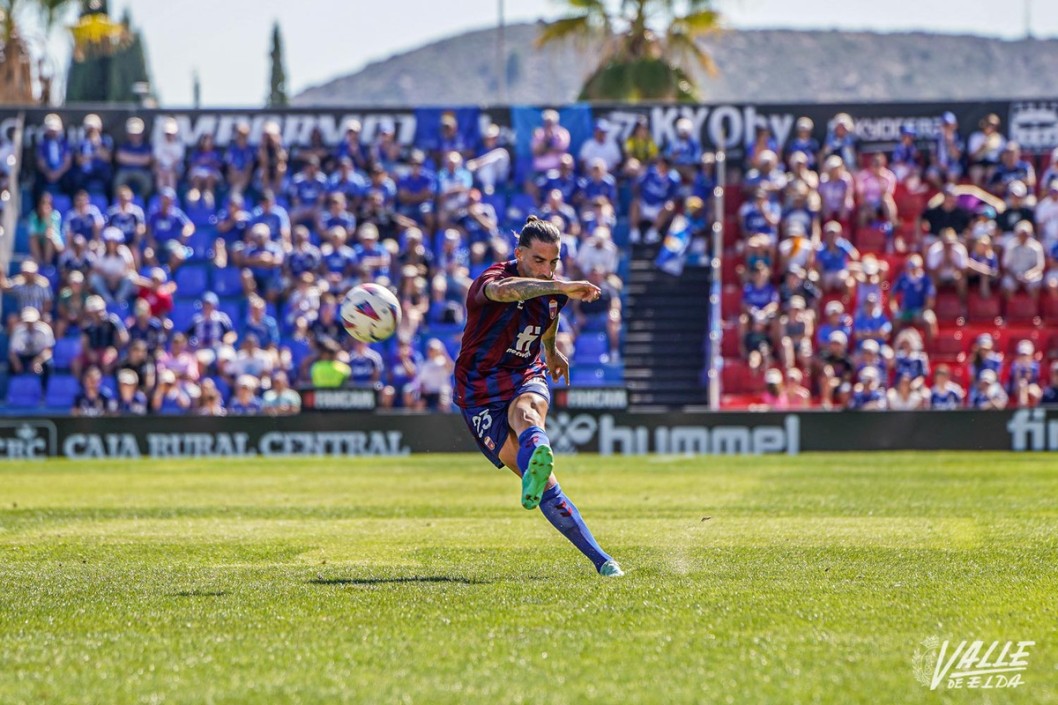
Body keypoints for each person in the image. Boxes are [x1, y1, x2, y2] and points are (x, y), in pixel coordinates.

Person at [453, 216, 623, 577]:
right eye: (539, 261)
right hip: (479, 389)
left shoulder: (553, 292)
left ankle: (604, 562)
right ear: (519, 254)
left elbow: (548, 317)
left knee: (529, 413)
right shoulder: (492, 279)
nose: (547, 271)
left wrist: (550, 351)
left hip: (523, 372)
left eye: (553, 263)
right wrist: (562, 285)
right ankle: (535, 463)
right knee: (544, 484)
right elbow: (504, 293)